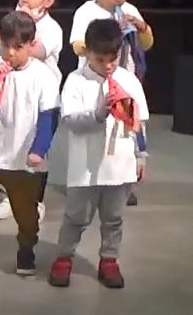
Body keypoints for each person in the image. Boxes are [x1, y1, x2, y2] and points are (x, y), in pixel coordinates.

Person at [49, 19, 149, 289]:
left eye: (112, 59)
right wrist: (98, 114)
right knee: (76, 217)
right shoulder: (76, 81)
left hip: (119, 165)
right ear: (87, 52)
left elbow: (138, 122)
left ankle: (109, 259)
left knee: (114, 218)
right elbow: (70, 120)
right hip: (85, 166)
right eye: (100, 59)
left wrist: (141, 155)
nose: (107, 66)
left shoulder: (128, 80)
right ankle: (64, 258)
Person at [0, 11, 59, 276]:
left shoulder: (43, 76)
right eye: (6, 46)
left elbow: (49, 116)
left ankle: (26, 248)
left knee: (26, 215)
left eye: (18, 47)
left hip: (23, 157)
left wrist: (39, 150)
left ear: (31, 45)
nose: (11, 53)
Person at [69, 0, 153, 206]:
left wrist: (141, 27)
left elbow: (147, 44)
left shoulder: (130, 10)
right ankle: (92, 181)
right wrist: (104, 41)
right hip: (95, 80)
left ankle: (125, 181)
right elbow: (76, 45)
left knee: (128, 130)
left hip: (125, 79)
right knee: (99, 131)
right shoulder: (86, 12)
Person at [0, 0, 63, 221]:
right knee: (12, 144)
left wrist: (25, 26)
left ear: (48, 1)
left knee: (36, 148)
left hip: (41, 99)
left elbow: (37, 51)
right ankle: (10, 197)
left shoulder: (51, 28)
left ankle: (36, 201)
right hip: (15, 94)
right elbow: (0, 50)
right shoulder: (14, 21)